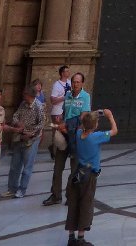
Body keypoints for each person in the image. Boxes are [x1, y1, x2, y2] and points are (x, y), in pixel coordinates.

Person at [65, 108, 117, 246]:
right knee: (85, 204)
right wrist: (110, 116)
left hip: (77, 173)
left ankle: (71, 237)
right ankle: (81, 239)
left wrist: (91, 115)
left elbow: (83, 121)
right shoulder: (96, 137)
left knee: (73, 204)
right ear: (95, 125)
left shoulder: (79, 134)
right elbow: (114, 131)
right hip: (89, 176)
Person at [45, 71, 90, 206]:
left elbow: (83, 118)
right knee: (57, 168)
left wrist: (68, 126)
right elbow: (65, 113)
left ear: (82, 83)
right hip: (64, 135)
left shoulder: (85, 97)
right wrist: (61, 120)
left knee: (74, 169)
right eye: (74, 82)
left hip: (76, 137)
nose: (75, 84)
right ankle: (55, 195)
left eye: (78, 82)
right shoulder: (68, 95)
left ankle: (71, 196)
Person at [0, 83, 45, 199]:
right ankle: (12, 189)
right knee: (15, 165)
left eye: (25, 94)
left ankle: (22, 189)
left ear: (30, 95)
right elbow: (15, 115)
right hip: (19, 136)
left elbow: (41, 124)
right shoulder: (23, 104)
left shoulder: (38, 107)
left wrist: (31, 134)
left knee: (27, 166)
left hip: (31, 139)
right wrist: (17, 122)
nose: (23, 95)